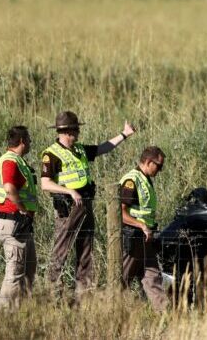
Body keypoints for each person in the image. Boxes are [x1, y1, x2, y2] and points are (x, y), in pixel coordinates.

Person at [39, 111, 135, 301]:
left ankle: (84, 295)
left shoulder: (80, 150)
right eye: (76, 129)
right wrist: (70, 191)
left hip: (86, 204)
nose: (79, 132)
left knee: (85, 251)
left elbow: (102, 148)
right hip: (68, 209)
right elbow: (45, 184)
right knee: (60, 252)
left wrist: (124, 134)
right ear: (67, 131)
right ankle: (52, 294)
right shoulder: (51, 154)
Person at [0, 125, 40, 310]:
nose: (31, 143)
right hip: (13, 221)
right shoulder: (10, 161)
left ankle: (21, 313)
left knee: (28, 270)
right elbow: (9, 188)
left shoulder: (17, 161)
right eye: (29, 140)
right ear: (22, 142)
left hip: (20, 224)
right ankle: (3, 317)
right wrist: (23, 209)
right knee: (15, 273)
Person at [119, 146, 168, 311]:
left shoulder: (145, 179)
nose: (160, 170)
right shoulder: (131, 180)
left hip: (147, 238)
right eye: (159, 166)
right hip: (133, 238)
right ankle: (110, 312)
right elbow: (120, 212)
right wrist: (141, 225)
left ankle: (165, 317)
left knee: (153, 278)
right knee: (122, 279)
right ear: (148, 162)